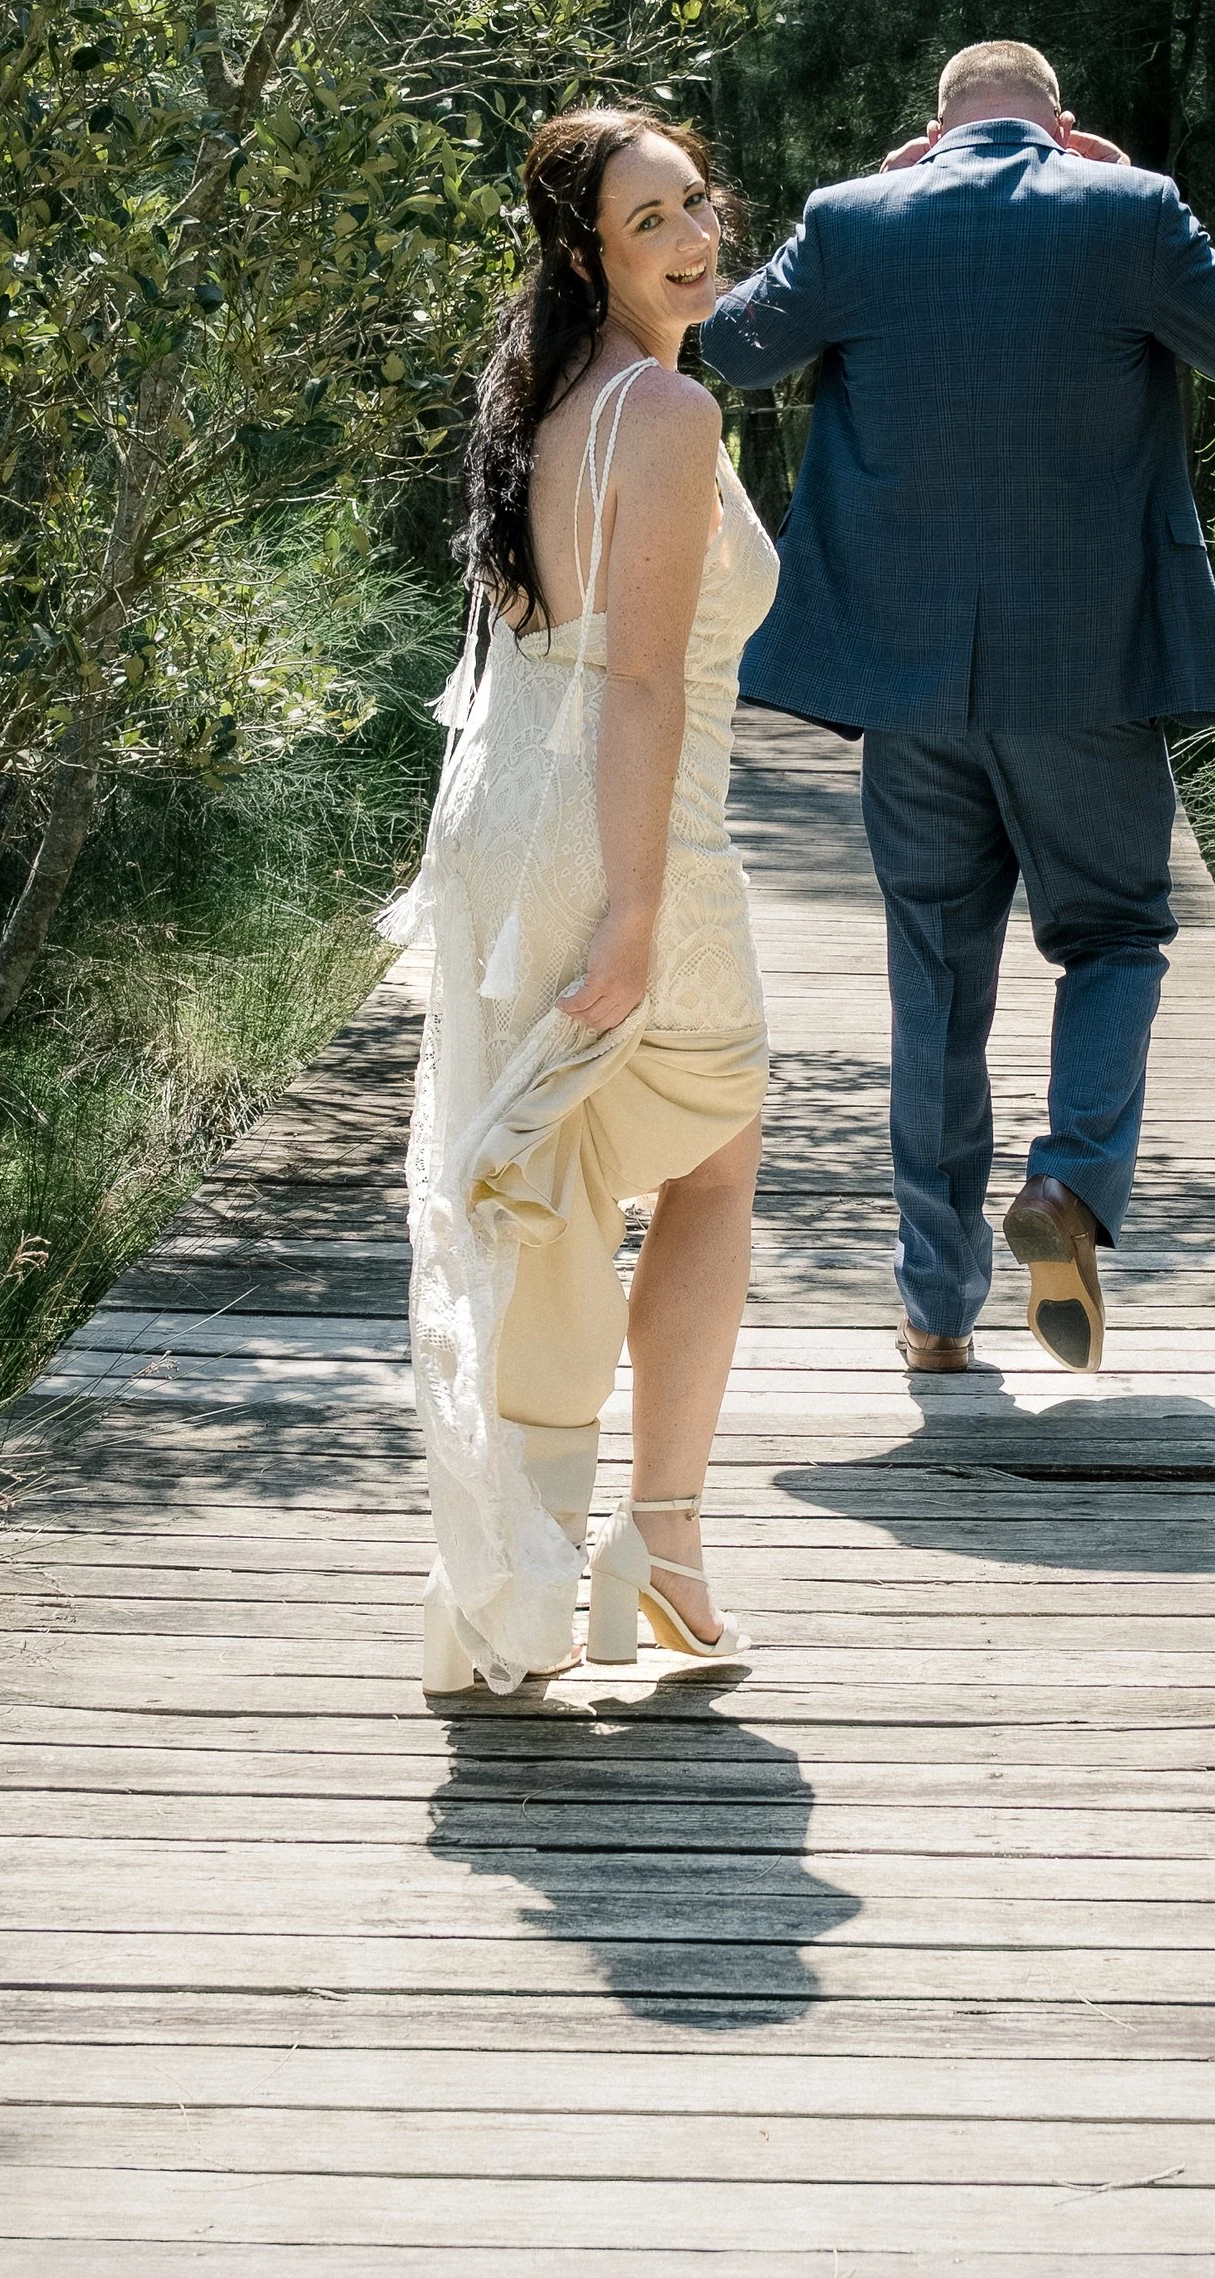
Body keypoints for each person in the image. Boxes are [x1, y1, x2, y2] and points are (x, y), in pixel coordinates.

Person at [699, 40, 1215, 1376]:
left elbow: (727, 344)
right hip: (1088, 677)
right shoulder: (1127, 210)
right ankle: (1070, 1187)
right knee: (1118, 935)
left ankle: (933, 1309)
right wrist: (1139, 185)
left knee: (935, 980)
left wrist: (865, 202)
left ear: (933, 129)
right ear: (1062, 125)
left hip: (907, 689)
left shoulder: (854, 219)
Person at [383, 109, 775, 1696]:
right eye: (650, 220)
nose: (694, 236)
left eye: (698, 201)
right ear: (583, 250)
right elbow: (635, 684)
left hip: (507, 816)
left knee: (548, 1184)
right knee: (718, 1149)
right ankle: (654, 1537)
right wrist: (630, 907)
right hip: (620, 828)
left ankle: (542, 1564)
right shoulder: (663, 411)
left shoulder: (538, 396)